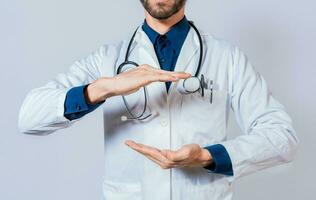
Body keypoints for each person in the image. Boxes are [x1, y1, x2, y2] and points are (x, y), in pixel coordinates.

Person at [18, 0, 298, 199]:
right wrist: (104, 88)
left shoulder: (227, 58)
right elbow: (29, 117)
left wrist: (206, 156)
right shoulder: (107, 60)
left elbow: (282, 137)